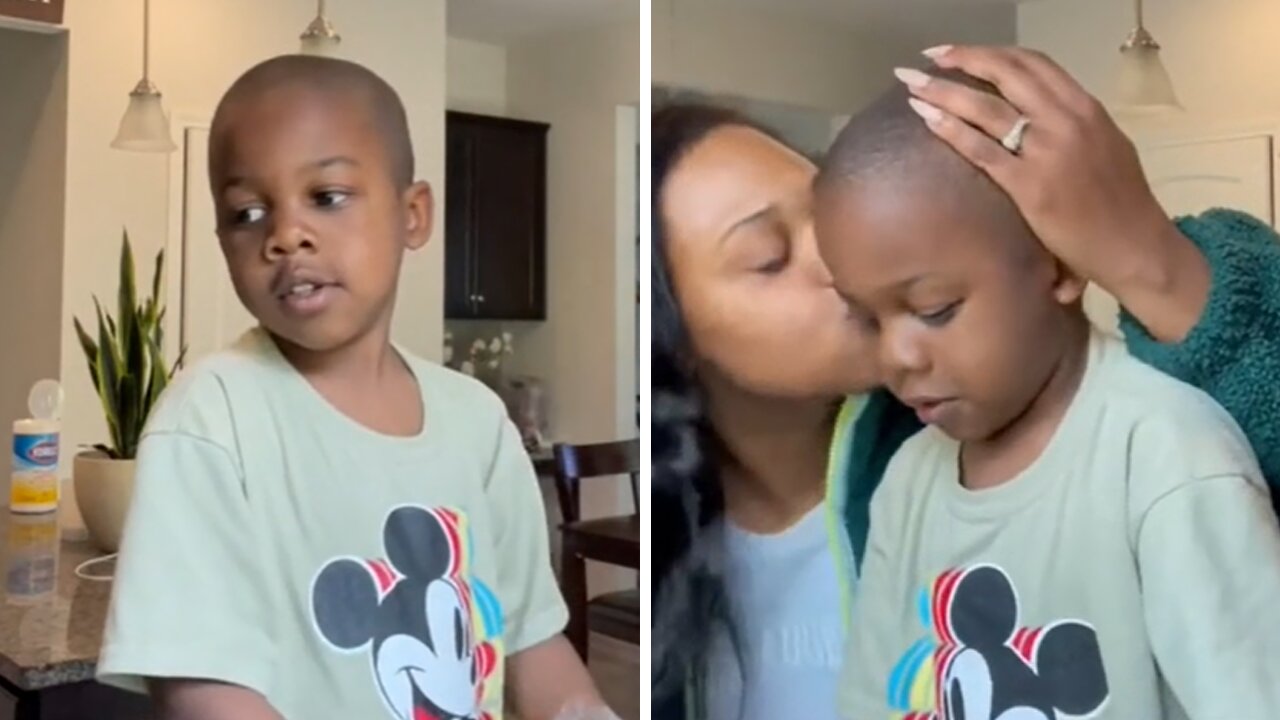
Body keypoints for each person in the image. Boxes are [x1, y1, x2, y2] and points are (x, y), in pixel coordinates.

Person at [652, 46, 1280, 720]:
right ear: (675, 343)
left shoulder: (1152, 447)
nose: (842, 265)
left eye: (933, 309)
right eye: (767, 258)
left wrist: (1154, 260)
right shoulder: (911, 482)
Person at [96, 55, 613, 720]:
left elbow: (534, 651)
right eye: (248, 213)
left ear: (413, 215)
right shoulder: (210, 420)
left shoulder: (478, 425)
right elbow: (205, 691)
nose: (285, 235)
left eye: (327, 197)